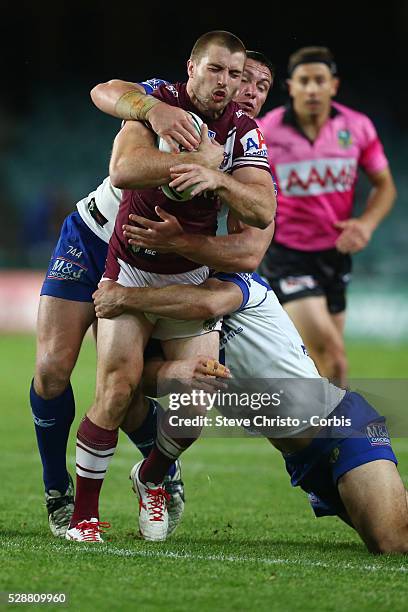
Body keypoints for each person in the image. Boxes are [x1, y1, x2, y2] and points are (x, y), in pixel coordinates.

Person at [30, 48, 274, 539]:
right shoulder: (167, 100)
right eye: (235, 76)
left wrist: (214, 183)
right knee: (54, 368)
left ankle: (156, 474)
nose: (244, 88)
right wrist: (151, 111)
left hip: (161, 260)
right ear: (199, 71)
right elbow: (105, 94)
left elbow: (250, 241)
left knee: (139, 383)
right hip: (95, 235)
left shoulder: (246, 145)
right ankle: (59, 490)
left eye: (259, 84)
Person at [93, 264, 408, 555]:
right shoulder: (163, 319)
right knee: (389, 534)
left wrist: (124, 297)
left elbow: (209, 305)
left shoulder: (234, 282)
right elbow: (139, 378)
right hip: (301, 461)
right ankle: (149, 475)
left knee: (392, 542)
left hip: (341, 427)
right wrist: (177, 370)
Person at [256, 47, 397, 387]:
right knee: (332, 356)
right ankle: (343, 436)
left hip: (336, 256)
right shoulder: (266, 132)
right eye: (304, 81)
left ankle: (313, 431)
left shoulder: (357, 127)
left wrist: (365, 224)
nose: (312, 89)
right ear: (290, 86)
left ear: (334, 85)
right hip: (287, 256)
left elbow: (385, 187)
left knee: (324, 366)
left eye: (320, 80)